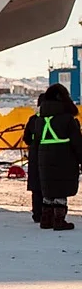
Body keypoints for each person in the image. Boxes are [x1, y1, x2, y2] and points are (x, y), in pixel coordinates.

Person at [35, 84, 82, 230]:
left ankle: (46, 220)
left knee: (49, 188)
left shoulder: (40, 120)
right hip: (64, 158)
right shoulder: (68, 119)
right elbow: (77, 143)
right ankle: (59, 221)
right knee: (61, 188)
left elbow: (35, 142)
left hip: (44, 158)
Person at [22, 93, 45, 223]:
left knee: (36, 186)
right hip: (51, 157)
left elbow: (26, 138)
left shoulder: (33, 119)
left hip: (35, 156)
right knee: (49, 185)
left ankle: (37, 213)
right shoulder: (55, 120)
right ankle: (50, 213)